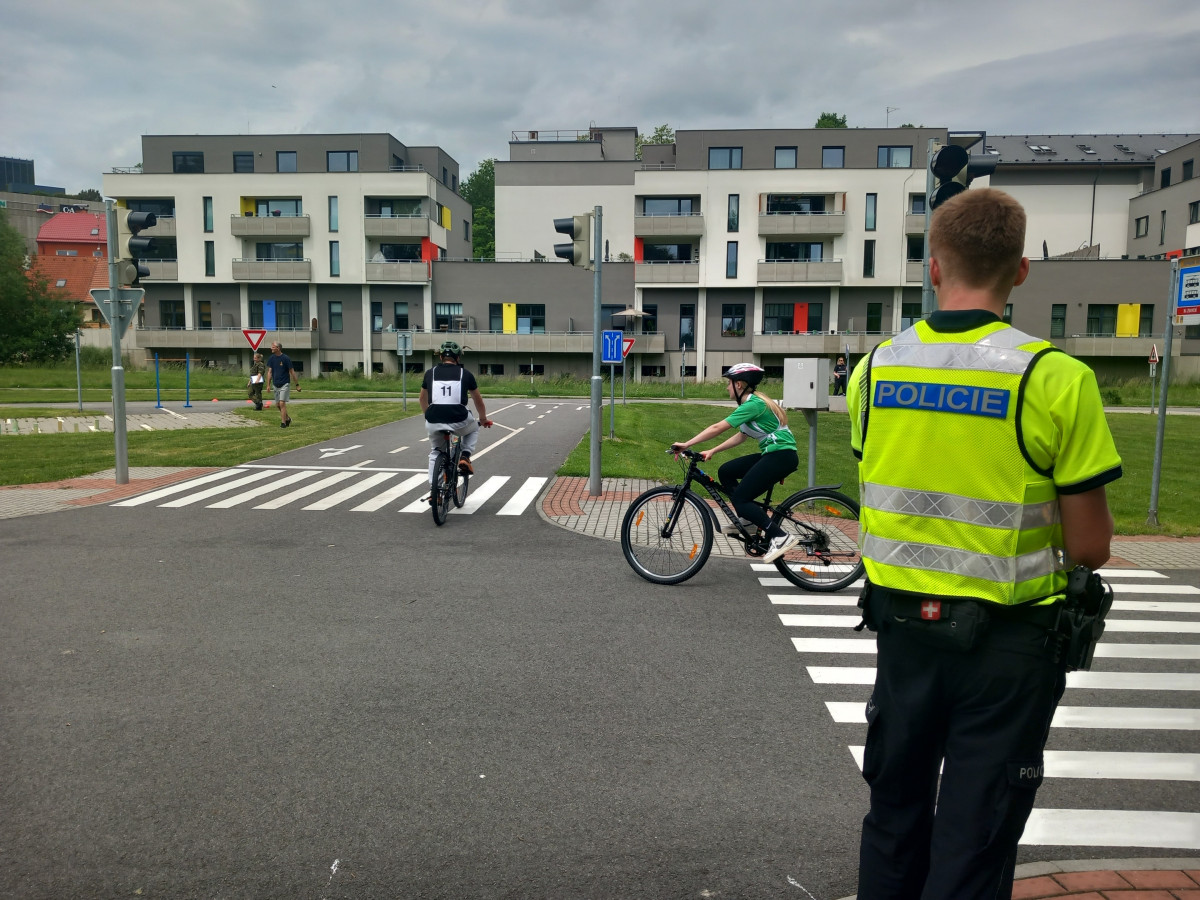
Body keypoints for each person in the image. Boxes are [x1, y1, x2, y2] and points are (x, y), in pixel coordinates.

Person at [848, 189, 1123, 900]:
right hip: (1009, 646)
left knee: (893, 819)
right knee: (976, 836)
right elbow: (1090, 547)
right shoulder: (1055, 378)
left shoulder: (877, 368)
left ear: (934, 266)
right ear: (1021, 272)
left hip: (903, 634)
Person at [670, 362, 800, 564]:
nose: (727, 387)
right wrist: (712, 451)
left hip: (780, 456)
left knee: (740, 499)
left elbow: (717, 427)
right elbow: (741, 436)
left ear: (739, 384)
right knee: (727, 471)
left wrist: (686, 444)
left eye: (729, 383)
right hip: (777, 455)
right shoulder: (753, 403)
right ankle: (748, 520)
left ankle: (779, 536)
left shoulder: (753, 404)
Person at [420, 341, 492, 490]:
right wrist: (483, 419)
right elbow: (478, 401)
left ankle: (435, 492)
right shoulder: (465, 374)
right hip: (459, 420)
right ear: (458, 358)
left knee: (436, 452)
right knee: (474, 427)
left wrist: (429, 416)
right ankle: (465, 455)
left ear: (440, 357)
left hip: (433, 419)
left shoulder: (430, 373)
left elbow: (422, 399)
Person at [265, 341, 299, 428]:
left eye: (273, 347)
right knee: (277, 405)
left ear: (278, 348)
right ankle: (287, 418)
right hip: (275, 384)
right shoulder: (271, 358)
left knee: (282, 403)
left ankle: (283, 423)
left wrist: (297, 384)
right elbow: (269, 372)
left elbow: (292, 371)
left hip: (285, 383)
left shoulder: (285, 358)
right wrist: (268, 385)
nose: (271, 348)